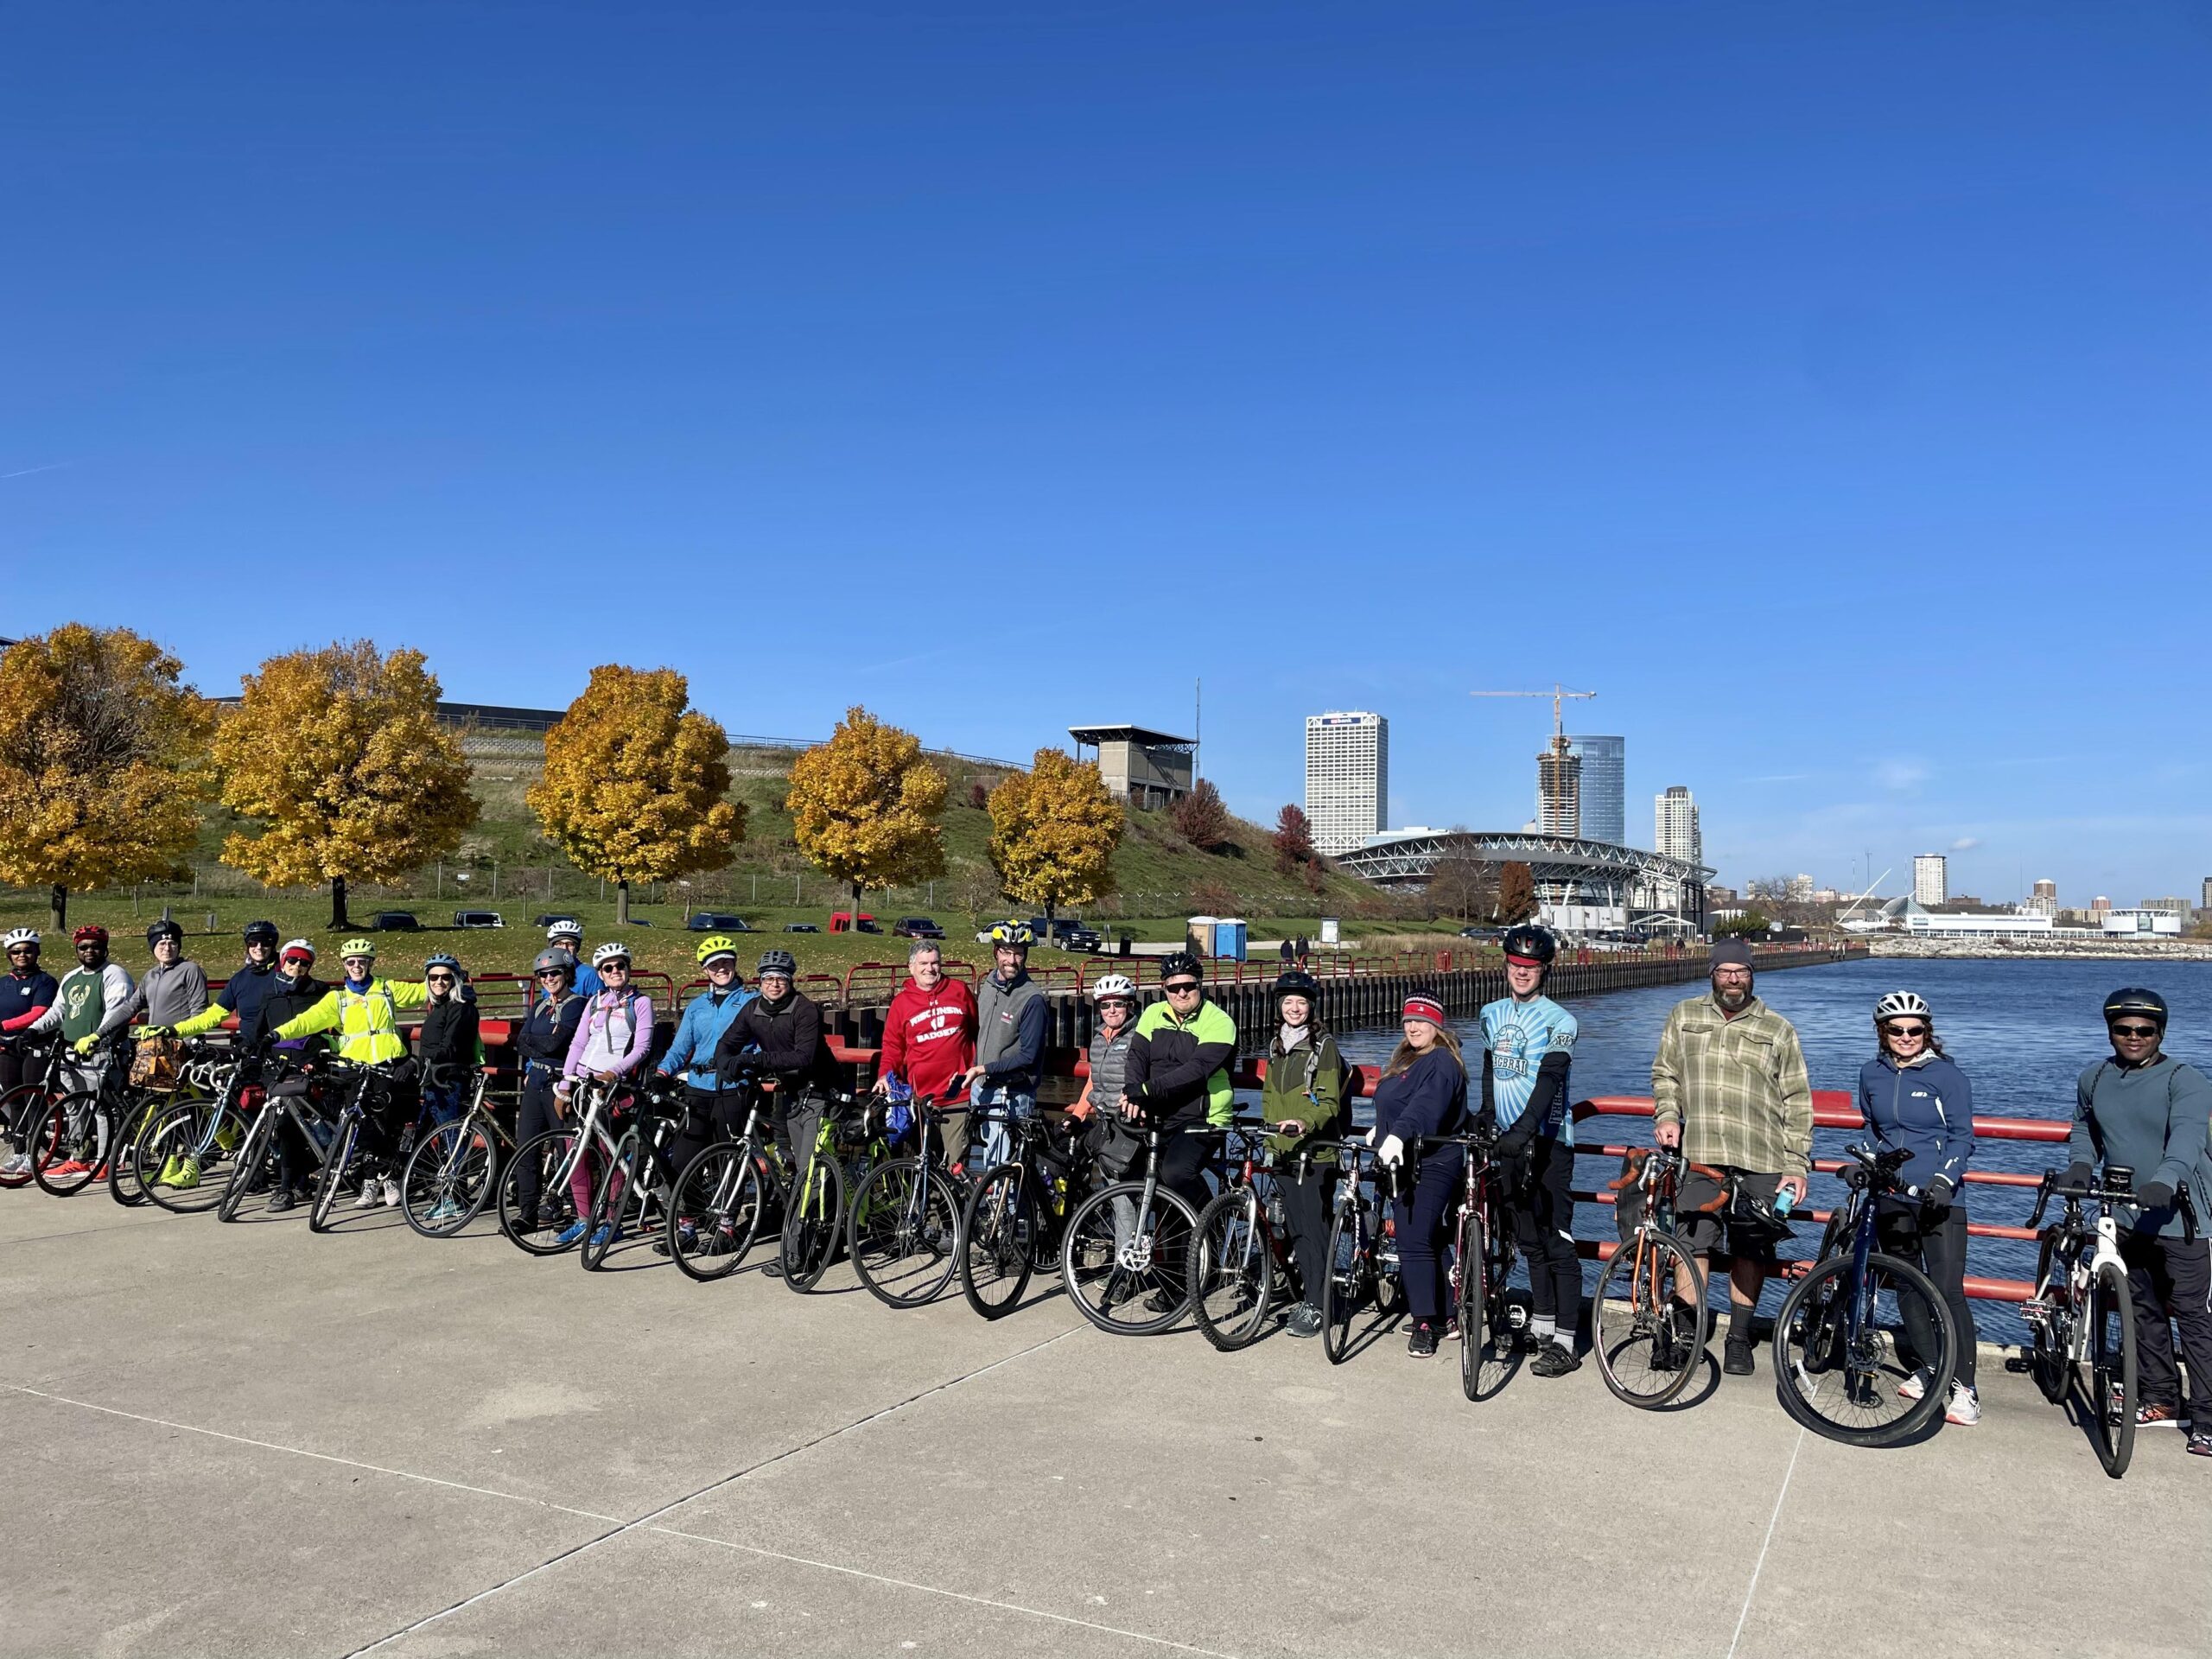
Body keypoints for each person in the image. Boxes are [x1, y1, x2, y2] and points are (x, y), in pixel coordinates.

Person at [1650, 938, 1813, 1376]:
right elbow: (1665, 1073)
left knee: (1751, 1248)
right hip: (1701, 1152)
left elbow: (1798, 1100)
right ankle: (1686, 1334)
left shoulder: (1778, 1029)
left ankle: (1739, 1337)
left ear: (1752, 975)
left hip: (1762, 1156)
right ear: (1712, 974)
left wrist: (1796, 1164)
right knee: (1691, 1243)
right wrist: (1668, 1114)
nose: (1733, 979)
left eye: (1741, 972)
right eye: (1725, 971)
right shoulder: (1684, 1016)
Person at [2065, 988, 2212, 1458]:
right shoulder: (2094, 1077)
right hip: (2127, 1213)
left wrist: (2165, 1180)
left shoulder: (2184, 1080)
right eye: (2123, 1029)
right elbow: (2084, 1128)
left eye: (2145, 1030)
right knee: (2142, 1311)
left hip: (2183, 1217)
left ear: (2160, 1033)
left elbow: (2187, 1137)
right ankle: (2160, 1398)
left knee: (2195, 1318)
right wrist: (2081, 1165)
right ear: (2110, 1031)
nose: (2134, 1037)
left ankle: (2207, 1418)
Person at [1857, 990, 1980, 1426]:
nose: (1906, 1037)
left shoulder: (1947, 1075)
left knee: (1947, 1290)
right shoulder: (1871, 1073)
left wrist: (1945, 1180)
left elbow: (1963, 1136)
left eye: (1915, 1030)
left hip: (1938, 1197)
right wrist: (1868, 1164)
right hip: (1893, 1195)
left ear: (1927, 1032)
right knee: (1907, 1285)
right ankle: (1931, 1368)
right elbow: (1872, 1129)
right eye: (1897, 1029)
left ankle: (1965, 1388)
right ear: (1883, 1032)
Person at [1479, 925, 1582, 1378]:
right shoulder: (1490, 1014)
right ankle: (1541, 1325)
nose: (1522, 973)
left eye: (1532, 966)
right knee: (1527, 1240)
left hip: (1549, 1141)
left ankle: (1567, 1340)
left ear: (1545, 970)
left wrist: (1524, 1129)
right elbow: (1490, 1067)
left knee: (1556, 1240)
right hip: (1507, 1141)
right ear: (1506, 965)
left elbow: (1551, 1078)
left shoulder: (1561, 1021)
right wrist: (1486, 1112)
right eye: (1516, 965)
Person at [270, 938, 433, 1210]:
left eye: (362, 961)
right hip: (354, 1069)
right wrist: (276, 1034)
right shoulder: (338, 998)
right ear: (345, 965)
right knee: (361, 1127)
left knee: (384, 1124)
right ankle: (374, 1179)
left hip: (386, 1065)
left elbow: (424, 991)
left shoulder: (387, 989)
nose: (357, 966)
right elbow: (306, 1021)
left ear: (371, 963)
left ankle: (385, 1177)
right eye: (351, 962)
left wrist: (452, 979)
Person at [712, 949, 836, 1274]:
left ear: (790, 981)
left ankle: (797, 1254)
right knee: (798, 1169)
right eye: (768, 978)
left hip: (820, 1092)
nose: (774, 984)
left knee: (808, 1174)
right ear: (760, 981)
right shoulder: (753, 1008)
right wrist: (724, 1062)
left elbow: (802, 1058)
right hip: (791, 1095)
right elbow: (728, 1042)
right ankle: (822, 1237)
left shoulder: (804, 1009)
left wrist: (754, 1060)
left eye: (781, 978)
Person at [1368, 992, 1469, 1357]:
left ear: (1436, 1026)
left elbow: (1427, 1107)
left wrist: (1397, 1135)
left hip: (1433, 1160)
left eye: (1422, 1021)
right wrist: (1382, 1130)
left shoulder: (1442, 1061)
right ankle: (1447, 1315)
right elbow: (1395, 1102)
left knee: (1412, 1240)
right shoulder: (1406, 1059)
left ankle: (1423, 1322)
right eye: (1409, 1020)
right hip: (1403, 1158)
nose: (1413, 1027)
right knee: (1427, 1238)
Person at [1260, 969, 1347, 1339]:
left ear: (1312, 1007)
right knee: (1295, 1229)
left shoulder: (1323, 1046)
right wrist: (1269, 1141)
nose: (1294, 1008)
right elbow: (1269, 1097)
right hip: (1282, 1150)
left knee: (1313, 1229)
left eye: (1301, 1003)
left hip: (1314, 1153)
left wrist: (1304, 1122)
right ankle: (1314, 1297)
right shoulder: (1277, 1045)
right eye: (1288, 1002)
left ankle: (1321, 1305)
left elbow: (1329, 1102)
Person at [657, 936, 759, 1244]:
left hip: (733, 1087)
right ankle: (688, 1223)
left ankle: (727, 1227)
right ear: (705, 970)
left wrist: (748, 1063)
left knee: (730, 1160)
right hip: (698, 1087)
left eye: (726, 962)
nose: (721, 968)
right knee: (682, 1160)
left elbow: (764, 1042)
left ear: (735, 963)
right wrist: (662, 1072)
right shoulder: (697, 1006)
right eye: (714, 964)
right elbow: (680, 1048)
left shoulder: (751, 1000)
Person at [554, 943, 656, 1247]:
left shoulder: (641, 1003)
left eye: (620, 966)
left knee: (613, 1156)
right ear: (600, 973)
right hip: (583, 1085)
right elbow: (578, 1043)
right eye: (608, 968)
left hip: (613, 1087)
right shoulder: (595, 1001)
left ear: (628, 969)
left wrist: (613, 1073)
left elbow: (642, 1048)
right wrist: (565, 1084)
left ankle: (612, 1221)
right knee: (577, 1153)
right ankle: (583, 1219)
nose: (615, 971)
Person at [1122, 951, 1237, 1220]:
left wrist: (1146, 1090)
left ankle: (1212, 1224)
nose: (1182, 993)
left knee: (1176, 1173)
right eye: (1174, 987)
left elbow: (1196, 1071)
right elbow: (1137, 1056)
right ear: (1164, 988)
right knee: (1138, 1173)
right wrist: (1134, 1093)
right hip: (1162, 1113)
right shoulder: (1153, 1013)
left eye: (1189, 986)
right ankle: (1175, 1246)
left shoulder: (1219, 1021)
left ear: (1200, 985)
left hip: (1204, 1116)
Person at [22, 925, 134, 1178]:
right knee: (74, 1106)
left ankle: (106, 1161)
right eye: (83, 947)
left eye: (95, 946)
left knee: (102, 1107)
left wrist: (97, 1038)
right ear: (76, 950)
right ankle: (80, 1158)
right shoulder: (72, 977)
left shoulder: (115, 975)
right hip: (70, 1051)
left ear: (105, 948)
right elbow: (58, 1012)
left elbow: (116, 1013)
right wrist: (33, 1030)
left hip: (101, 1050)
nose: (89, 951)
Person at [251, 941, 335, 1211]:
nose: (297, 966)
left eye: (304, 962)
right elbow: (259, 1030)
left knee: (289, 1125)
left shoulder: (320, 992)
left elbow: (331, 1029)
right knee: (280, 1128)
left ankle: (286, 1189)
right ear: (283, 961)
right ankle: (300, 1183)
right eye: (292, 960)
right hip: (277, 1070)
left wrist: (317, 1055)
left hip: (308, 1068)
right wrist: (249, 1048)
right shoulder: (271, 993)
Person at [510, 948, 588, 1232]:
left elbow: (557, 1045)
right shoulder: (540, 1006)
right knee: (526, 1148)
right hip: (536, 1080)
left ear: (567, 974)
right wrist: (538, 1044)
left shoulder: (577, 1005)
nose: (549, 978)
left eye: (554, 972)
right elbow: (521, 1042)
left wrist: (536, 1043)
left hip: (560, 1084)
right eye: (543, 974)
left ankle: (574, 1210)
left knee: (565, 1148)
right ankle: (528, 1213)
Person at [959, 924, 1046, 1171]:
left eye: (1018, 953)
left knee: (1006, 1170)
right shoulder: (988, 985)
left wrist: (984, 1068)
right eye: (1006, 952)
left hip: (1012, 1093)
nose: (1012, 960)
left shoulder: (1032, 999)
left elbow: (1029, 1056)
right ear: (995, 952)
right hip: (983, 1087)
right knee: (989, 1164)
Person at [877, 939, 976, 1109]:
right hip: (920, 1097)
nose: (930, 969)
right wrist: (885, 1075)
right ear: (911, 967)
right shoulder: (901, 1003)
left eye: (935, 963)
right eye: (923, 963)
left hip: (960, 1093)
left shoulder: (959, 990)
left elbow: (976, 1030)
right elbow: (893, 1047)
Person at [0, 928, 59, 1174]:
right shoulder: (3, 983)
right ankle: (19, 1153)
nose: (22, 955)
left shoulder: (45, 981)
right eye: (16, 952)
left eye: (28, 950)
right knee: (13, 1100)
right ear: (9, 955)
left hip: (35, 1046)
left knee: (32, 1099)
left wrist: (4, 1025)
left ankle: (33, 1155)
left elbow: (39, 1012)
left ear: (37, 952)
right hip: (7, 1047)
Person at [108, 919, 211, 1034]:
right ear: (153, 948)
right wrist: (100, 1034)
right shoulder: (150, 976)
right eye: (162, 944)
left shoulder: (190, 970)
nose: (167, 949)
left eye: (172, 943)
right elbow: (129, 1008)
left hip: (180, 1041)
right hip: (155, 1041)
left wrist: (189, 1040)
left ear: (178, 947)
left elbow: (198, 1010)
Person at [416, 953, 481, 1127]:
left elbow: (451, 1046)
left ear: (455, 979)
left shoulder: (461, 1007)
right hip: (434, 1077)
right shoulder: (441, 1005)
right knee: (421, 1135)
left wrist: (420, 1059)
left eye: (445, 977)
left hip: (449, 1081)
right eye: (433, 977)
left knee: (451, 1134)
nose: (439, 982)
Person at [541, 920, 601, 1001]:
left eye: (570, 944)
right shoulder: (547, 974)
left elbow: (600, 1006)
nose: (564, 948)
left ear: (577, 948)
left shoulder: (589, 975)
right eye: (559, 944)